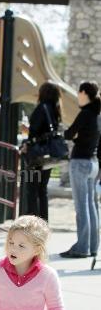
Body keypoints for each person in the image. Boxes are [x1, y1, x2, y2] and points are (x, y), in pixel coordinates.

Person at [60, 81, 101, 258]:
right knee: (92, 205)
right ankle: (92, 246)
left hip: (80, 163)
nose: (77, 95)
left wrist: (68, 135)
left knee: (81, 206)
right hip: (93, 163)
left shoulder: (85, 113)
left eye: (78, 92)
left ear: (84, 93)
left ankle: (81, 247)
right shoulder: (97, 116)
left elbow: (69, 134)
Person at [24, 82, 63, 221]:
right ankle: (43, 222)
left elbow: (34, 133)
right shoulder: (55, 109)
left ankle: (32, 223)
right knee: (42, 189)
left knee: (32, 189)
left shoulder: (41, 108)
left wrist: (26, 138)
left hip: (36, 156)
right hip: (48, 155)